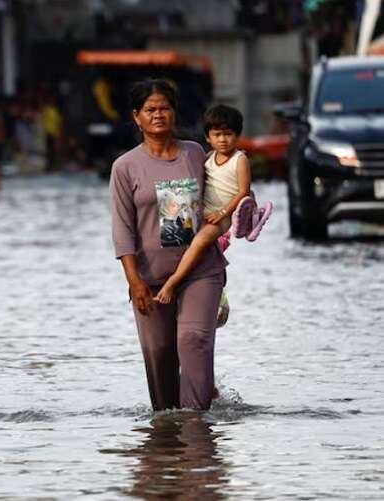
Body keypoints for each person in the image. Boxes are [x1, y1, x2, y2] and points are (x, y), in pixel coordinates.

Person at [110, 79, 227, 411]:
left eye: (164, 108)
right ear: (137, 117)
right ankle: (166, 437)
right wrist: (134, 282)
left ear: (174, 113)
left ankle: (196, 423)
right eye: (150, 109)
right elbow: (122, 230)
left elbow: (221, 197)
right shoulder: (125, 167)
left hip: (200, 271)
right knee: (159, 356)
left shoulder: (195, 154)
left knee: (193, 341)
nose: (158, 115)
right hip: (150, 277)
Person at [154, 105, 273, 304]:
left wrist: (222, 212)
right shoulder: (209, 158)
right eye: (217, 134)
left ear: (237, 135)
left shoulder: (239, 160)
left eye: (228, 134)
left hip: (224, 216)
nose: (223, 139)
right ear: (208, 137)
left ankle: (172, 282)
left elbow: (243, 191)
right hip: (204, 211)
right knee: (175, 232)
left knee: (200, 241)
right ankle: (175, 275)